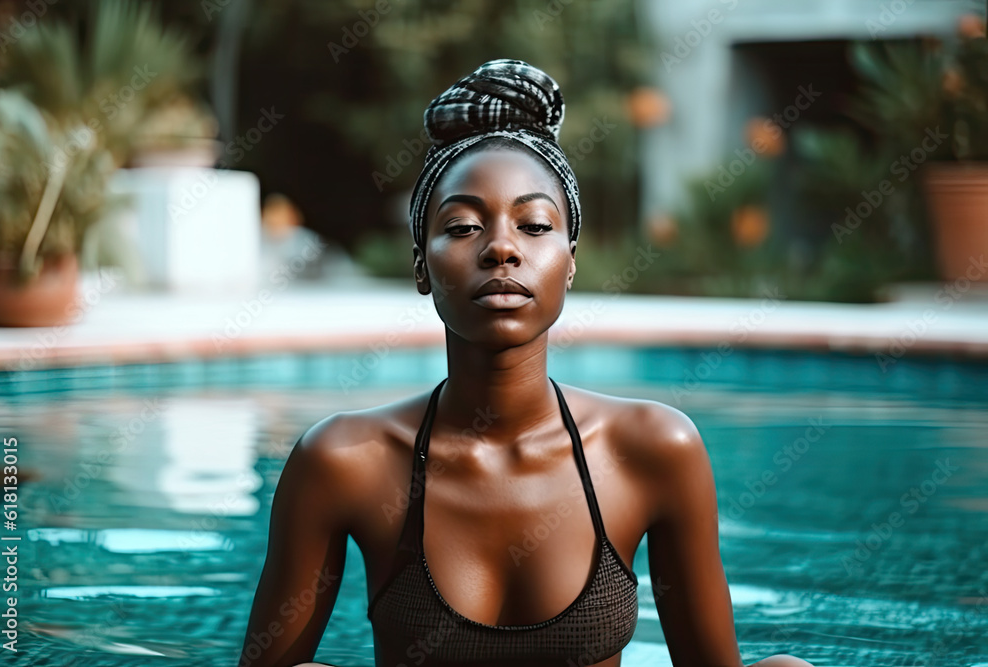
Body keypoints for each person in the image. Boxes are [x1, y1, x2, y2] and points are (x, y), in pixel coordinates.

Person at [239, 59, 814, 667]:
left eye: (534, 224)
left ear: (570, 261)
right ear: (420, 266)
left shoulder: (653, 449)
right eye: (462, 226)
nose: (502, 247)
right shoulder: (344, 461)